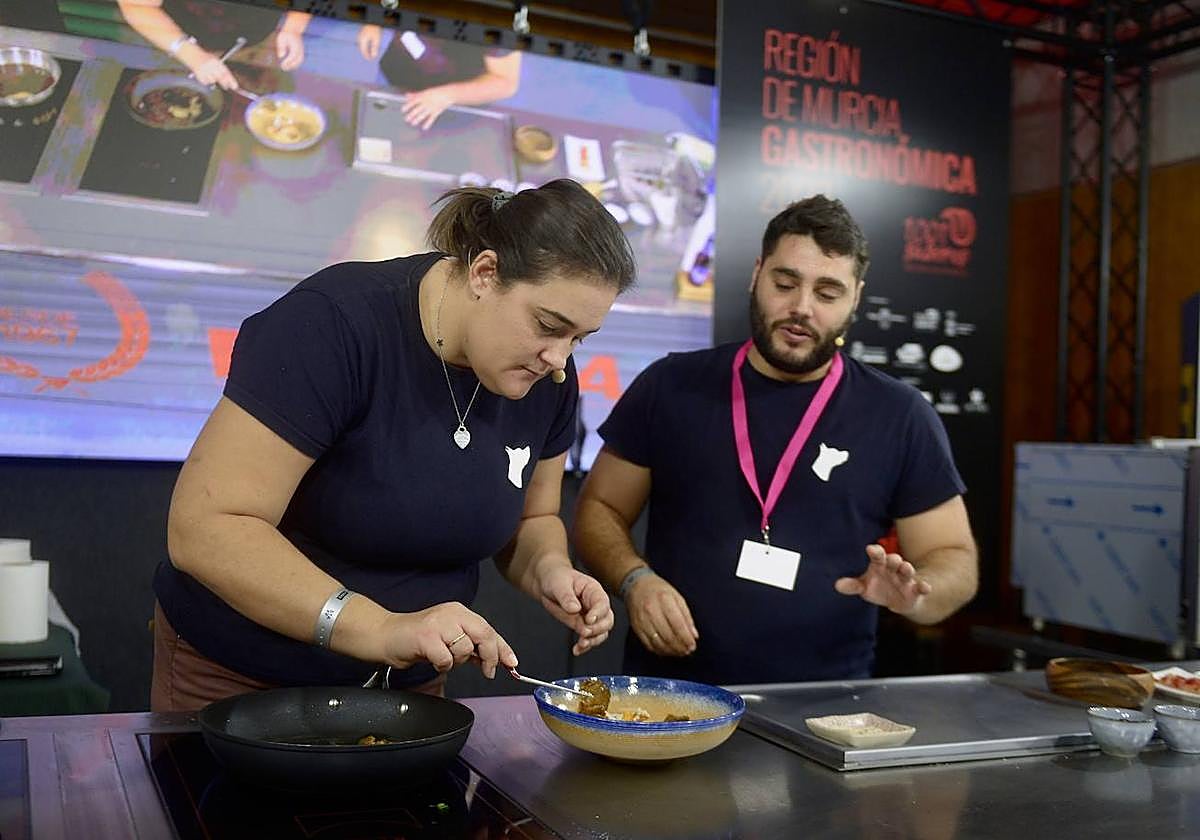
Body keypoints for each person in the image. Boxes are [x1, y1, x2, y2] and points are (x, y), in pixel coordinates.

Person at [153, 180, 637, 711]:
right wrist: (380, 628)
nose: (559, 360)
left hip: (405, 686)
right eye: (548, 325)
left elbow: (532, 519)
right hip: (246, 682)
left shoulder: (546, 378)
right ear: (485, 273)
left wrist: (552, 571)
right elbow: (207, 527)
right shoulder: (334, 324)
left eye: (579, 339)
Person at [572, 195, 978, 686]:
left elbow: (955, 556)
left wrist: (919, 593)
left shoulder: (900, 415)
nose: (801, 308)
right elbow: (599, 510)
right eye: (785, 284)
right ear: (757, 274)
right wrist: (634, 580)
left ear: (856, 299)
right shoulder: (671, 385)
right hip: (670, 696)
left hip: (825, 708)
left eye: (828, 294)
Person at [117, 0, 311, 90]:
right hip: (172, 41)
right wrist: (191, 54)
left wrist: (294, 26)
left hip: (263, 43)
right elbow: (136, 5)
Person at [358, 24, 521, 130]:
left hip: (450, 105)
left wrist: (446, 96)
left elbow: (505, 82)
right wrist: (375, 21)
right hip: (394, 77)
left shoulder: (496, 17)